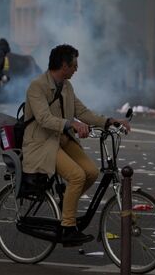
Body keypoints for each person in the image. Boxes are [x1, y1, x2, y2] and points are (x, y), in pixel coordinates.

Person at [22, 44, 131, 245]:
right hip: (42, 143)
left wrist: (110, 121)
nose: (76, 69)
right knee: (76, 175)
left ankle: (67, 206)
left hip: (62, 140)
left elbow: (82, 112)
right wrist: (71, 124)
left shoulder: (67, 86)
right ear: (64, 65)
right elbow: (44, 119)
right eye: (74, 65)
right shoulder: (37, 86)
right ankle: (67, 228)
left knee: (90, 172)